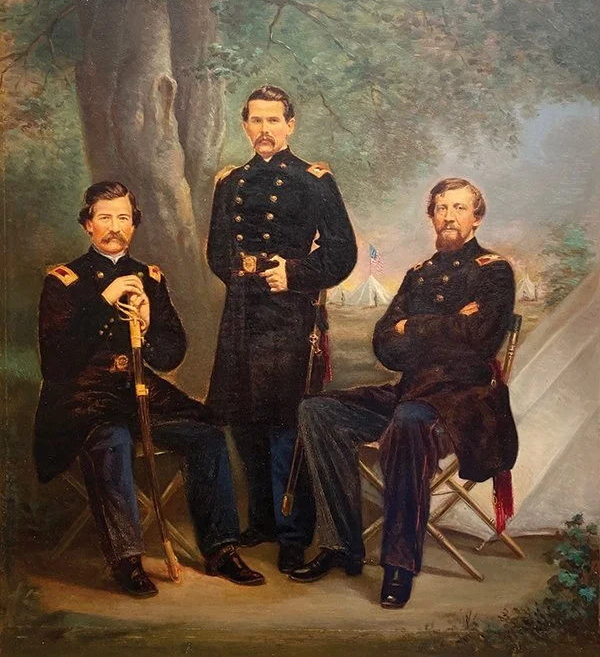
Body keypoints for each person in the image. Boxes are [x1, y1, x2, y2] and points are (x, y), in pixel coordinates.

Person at [289, 178, 518, 608]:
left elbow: (478, 339)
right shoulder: (418, 275)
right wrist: (446, 325)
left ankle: (399, 564)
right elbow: (385, 345)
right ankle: (341, 545)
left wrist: (411, 326)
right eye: (441, 208)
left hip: (461, 403)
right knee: (317, 410)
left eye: (459, 208)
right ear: (431, 216)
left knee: (410, 422)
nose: (448, 217)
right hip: (410, 392)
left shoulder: (494, 271)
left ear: (476, 218)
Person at [34, 181, 264, 597]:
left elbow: (171, 353)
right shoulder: (64, 281)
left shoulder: (149, 277)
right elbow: (57, 362)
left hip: (140, 393)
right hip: (85, 399)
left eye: (123, 217)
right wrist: (105, 301)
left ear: (134, 224)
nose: (114, 227)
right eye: (105, 217)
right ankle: (126, 558)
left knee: (207, 435)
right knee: (114, 441)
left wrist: (146, 325)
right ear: (87, 225)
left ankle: (220, 548)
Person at [206, 85, 357, 573]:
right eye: (256, 120)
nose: (265, 129)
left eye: (274, 120)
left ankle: (293, 533)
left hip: (290, 316)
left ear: (290, 124)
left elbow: (342, 252)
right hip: (242, 313)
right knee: (244, 419)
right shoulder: (230, 182)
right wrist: (242, 273)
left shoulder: (314, 180)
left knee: (285, 425)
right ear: (244, 125)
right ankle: (263, 521)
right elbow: (216, 252)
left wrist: (293, 273)